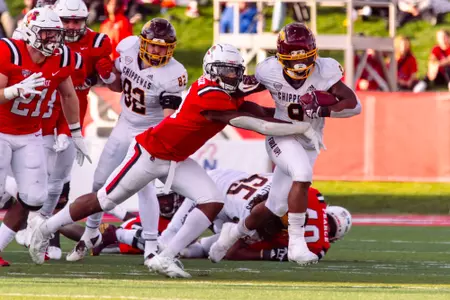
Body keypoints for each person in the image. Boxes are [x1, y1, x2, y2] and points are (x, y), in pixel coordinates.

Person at [28, 43, 321, 278]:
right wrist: (301, 127)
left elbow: (260, 110)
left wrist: (291, 106)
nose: (233, 76)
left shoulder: (225, 90)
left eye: (235, 71)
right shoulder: (210, 94)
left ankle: (165, 256)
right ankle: (46, 227)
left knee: (211, 201)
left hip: (176, 158)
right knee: (104, 200)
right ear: (211, 70)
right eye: (226, 71)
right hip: (150, 153)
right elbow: (259, 125)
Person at [209, 22, 361, 267]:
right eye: (293, 61)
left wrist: (324, 108)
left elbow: (354, 105)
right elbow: (241, 89)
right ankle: (297, 244)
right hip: (281, 134)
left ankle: (231, 235)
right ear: (280, 58)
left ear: (315, 55)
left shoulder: (326, 71)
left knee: (275, 206)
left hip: (310, 139)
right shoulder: (268, 70)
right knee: (302, 173)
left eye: (306, 60)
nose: (300, 67)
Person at [63, 17, 188, 263]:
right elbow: (118, 87)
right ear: (142, 43)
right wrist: (108, 77)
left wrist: (158, 143)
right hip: (124, 124)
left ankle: (151, 244)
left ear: (170, 48)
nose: (156, 50)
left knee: (144, 187)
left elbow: (168, 118)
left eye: (162, 47)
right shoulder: (128, 49)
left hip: (150, 130)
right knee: (100, 179)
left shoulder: (175, 74)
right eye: (152, 45)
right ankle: (90, 233)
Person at [0, 7, 90, 266]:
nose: (53, 39)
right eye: (47, 34)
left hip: (30, 134)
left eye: (56, 34)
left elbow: (69, 95)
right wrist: (13, 91)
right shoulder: (9, 51)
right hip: (1, 130)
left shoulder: (61, 58)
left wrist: (75, 131)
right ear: (30, 32)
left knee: (35, 197)